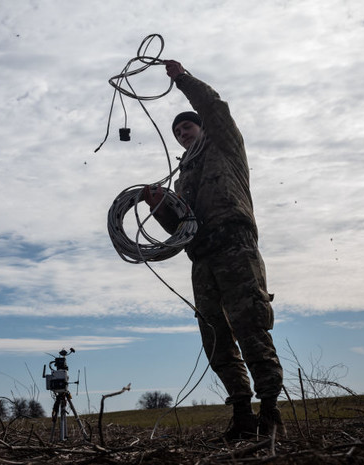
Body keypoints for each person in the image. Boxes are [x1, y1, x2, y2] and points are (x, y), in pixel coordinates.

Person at [142, 60, 284, 440]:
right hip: (201, 258)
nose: (181, 133)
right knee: (215, 335)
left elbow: (215, 108)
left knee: (250, 325)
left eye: (186, 125)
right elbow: (180, 228)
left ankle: (269, 411)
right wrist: (158, 205)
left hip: (235, 248)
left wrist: (182, 80)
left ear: (202, 126)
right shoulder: (184, 175)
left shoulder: (225, 144)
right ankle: (241, 412)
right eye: (176, 131)